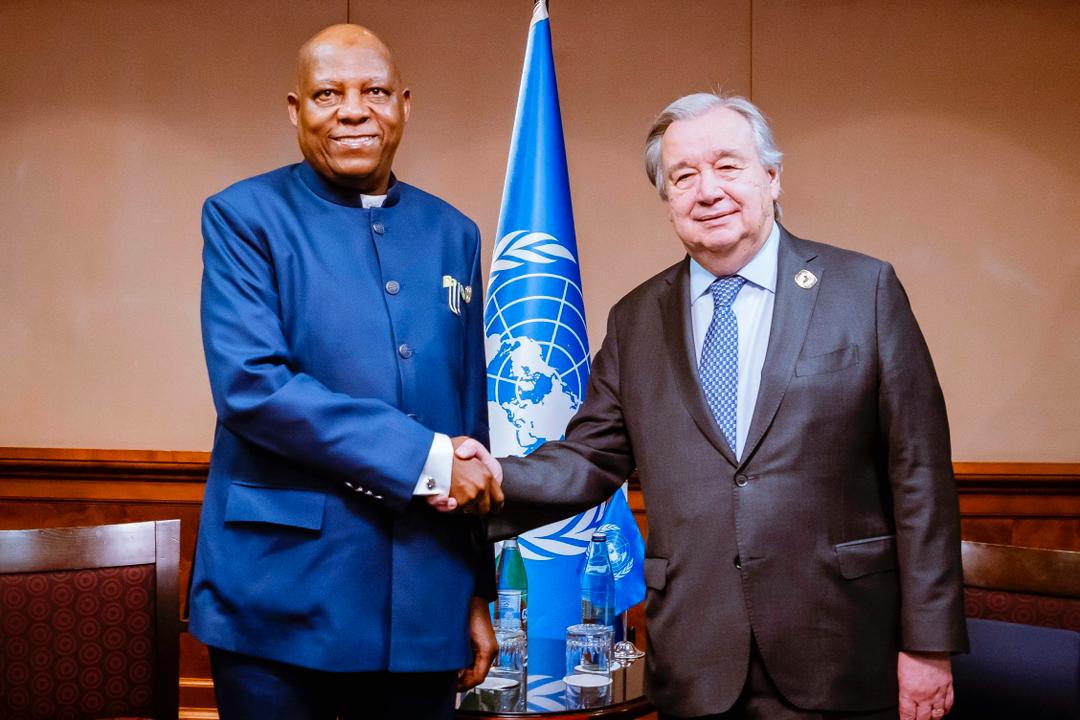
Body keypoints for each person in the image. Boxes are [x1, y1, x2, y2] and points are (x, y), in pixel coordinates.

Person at [461, 93, 968, 720]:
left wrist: (929, 645)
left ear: (772, 177)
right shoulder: (636, 320)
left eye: (728, 166)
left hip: (838, 650)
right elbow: (588, 459)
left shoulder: (863, 290)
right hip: (695, 659)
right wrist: (486, 477)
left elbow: (920, 477)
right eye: (683, 176)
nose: (708, 191)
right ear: (667, 199)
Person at [189, 24, 502, 720]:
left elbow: (469, 418)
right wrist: (424, 460)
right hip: (279, 599)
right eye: (329, 94)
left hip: (425, 599)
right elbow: (252, 388)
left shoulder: (453, 232)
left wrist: (475, 591)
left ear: (404, 105)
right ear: (295, 109)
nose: (354, 111)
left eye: (375, 92)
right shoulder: (243, 218)